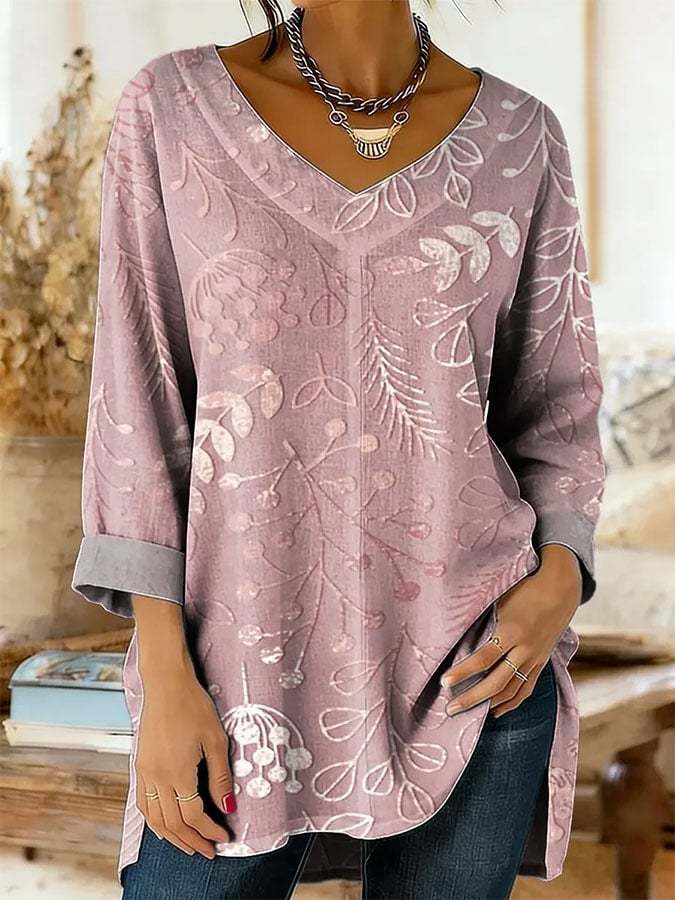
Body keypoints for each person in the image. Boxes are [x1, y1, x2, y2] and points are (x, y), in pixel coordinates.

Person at [71, 1, 607, 897]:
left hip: (474, 672)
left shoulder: (520, 137)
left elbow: (556, 408)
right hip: (234, 679)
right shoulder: (173, 108)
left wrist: (555, 582)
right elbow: (136, 402)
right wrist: (163, 672)